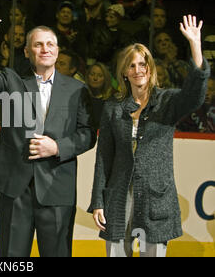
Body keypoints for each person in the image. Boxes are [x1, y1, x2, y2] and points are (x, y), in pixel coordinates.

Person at [0, 5, 96, 257]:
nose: (45, 48)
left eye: (50, 44)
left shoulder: (77, 90)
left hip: (57, 189)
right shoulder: (10, 80)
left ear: (57, 51)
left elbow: (88, 134)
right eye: (38, 44)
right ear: (27, 51)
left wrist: (58, 147)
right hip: (15, 189)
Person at [88, 15, 211, 257]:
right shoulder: (113, 106)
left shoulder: (167, 101)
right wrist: (98, 202)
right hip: (118, 198)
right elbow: (104, 156)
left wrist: (195, 46)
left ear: (151, 68)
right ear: (124, 71)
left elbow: (196, 95)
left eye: (143, 64)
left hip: (155, 199)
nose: (138, 70)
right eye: (131, 65)